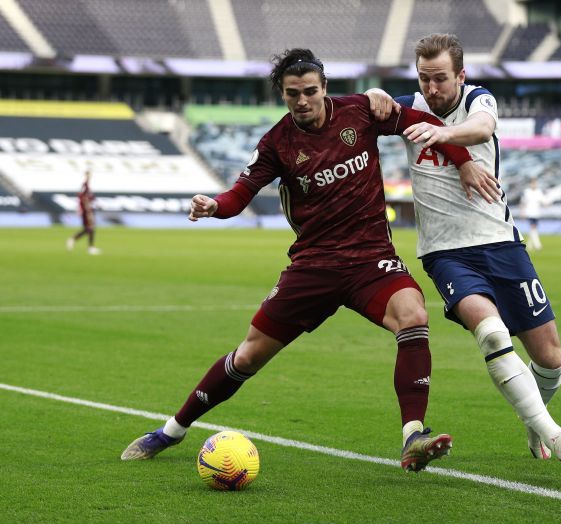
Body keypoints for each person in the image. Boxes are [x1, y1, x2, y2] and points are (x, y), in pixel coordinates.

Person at [121, 48, 494, 472]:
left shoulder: (360, 112)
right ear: (282, 95)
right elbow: (239, 195)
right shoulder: (277, 143)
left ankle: (413, 435)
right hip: (313, 268)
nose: (302, 101)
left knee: (413, 314)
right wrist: (214, 206)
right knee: (247, 357)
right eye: (292, 94)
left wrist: (463, 163)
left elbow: (426, 124)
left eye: (310, 92)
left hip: (371, 261)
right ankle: (172, 430)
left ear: (324, 89)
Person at [366, 34, 561, 469]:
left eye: (441, 80)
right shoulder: (411, 105)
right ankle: (556, 435)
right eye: (424, 79)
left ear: (461, 76)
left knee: (550, 358)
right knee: (490, 333)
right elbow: (369, 105)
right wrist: (375, 93)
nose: (432, 89)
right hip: (446, 253)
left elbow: (482, 129)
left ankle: (533, 423)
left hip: (502, 244)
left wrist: (443, 134)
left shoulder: (479, 101)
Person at [66, 169, 101, 255]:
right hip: (87, 210)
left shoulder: (86, 186)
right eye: (89, 175)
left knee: (88, 228)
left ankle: (73, 239)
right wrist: (88, 211)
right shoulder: (85, 186)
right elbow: (84, 199)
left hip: (87, 210)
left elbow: (87, 198)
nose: (90, 176)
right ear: (86, 175)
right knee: (90, 227)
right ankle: (90, 247)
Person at [519, 177, 549, 252]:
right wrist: (522, 212)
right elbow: (523, 203)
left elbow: (544, 201)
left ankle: (529, 246)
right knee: (533, 228)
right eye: (532, 183)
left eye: (535, 183)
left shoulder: (539, 192)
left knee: (533, 230)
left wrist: (547, 204)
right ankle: (538, 245)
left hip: (537, 213)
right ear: (530, 184)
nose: (534, 185)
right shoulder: (527, 192)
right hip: (529, 213)